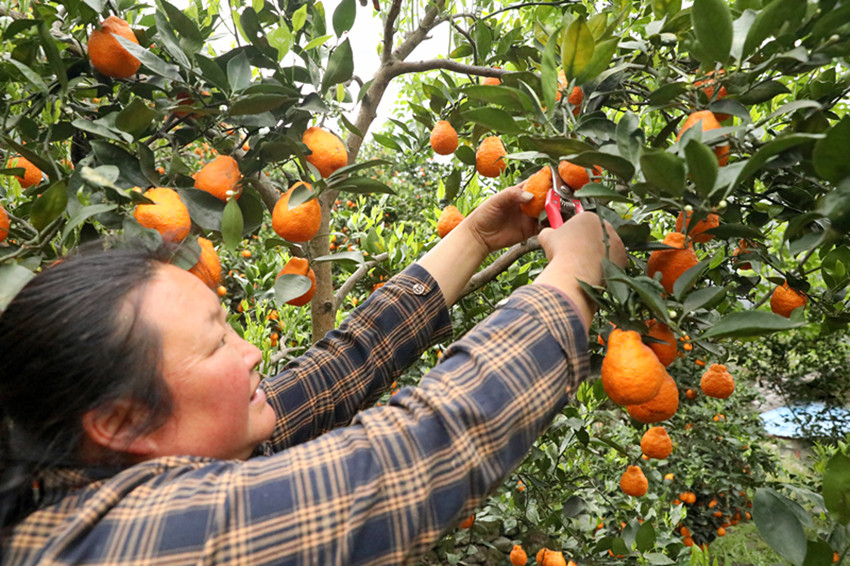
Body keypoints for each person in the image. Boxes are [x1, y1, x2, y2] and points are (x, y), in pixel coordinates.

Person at [0, 182, 626, 565]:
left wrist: (475, 238)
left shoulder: (143, 453)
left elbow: (344, 365)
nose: (251, 352)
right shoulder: (111, 547)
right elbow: (407, 462)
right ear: (119, 420)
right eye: (217, 343)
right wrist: (573, 279)